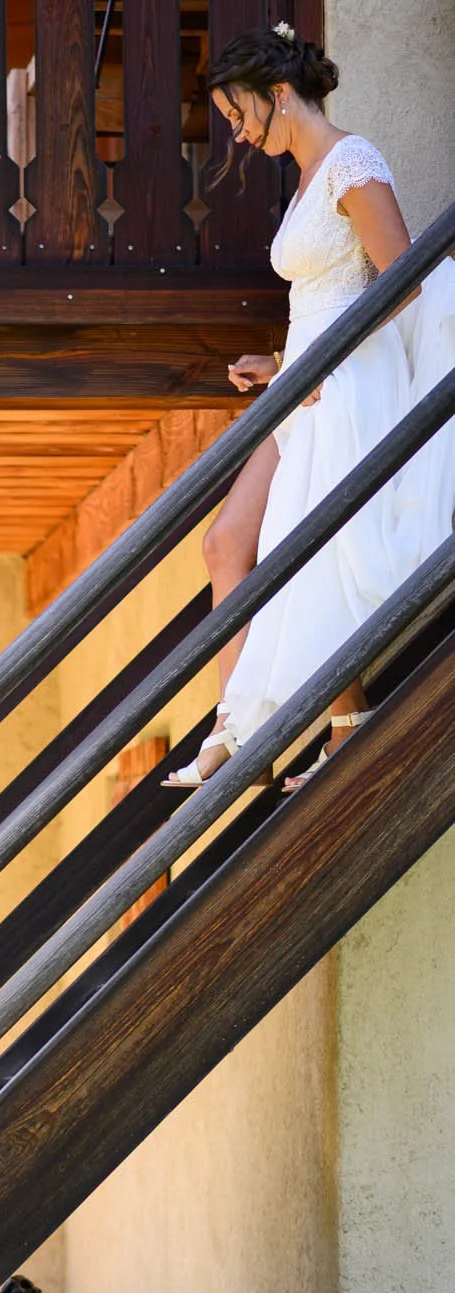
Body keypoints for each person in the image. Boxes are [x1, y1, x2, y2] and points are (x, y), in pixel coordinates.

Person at [165, 21, 454, 790]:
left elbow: (403, 283)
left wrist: (319, 364)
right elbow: (320, 293)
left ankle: (319, 729)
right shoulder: (303, 174)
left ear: (279, 95)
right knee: (228, 543)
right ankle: (240, 722)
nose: (235, 132)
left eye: (239, 114)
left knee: (312, 549)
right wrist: (280, 363)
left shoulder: (350, 163)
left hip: (343, 381)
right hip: (305, 377)